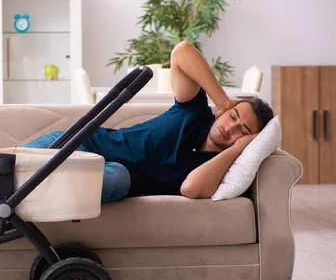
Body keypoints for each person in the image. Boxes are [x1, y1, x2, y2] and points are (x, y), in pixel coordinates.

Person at [24, 41, 274, 202]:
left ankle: (21, 190)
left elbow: (191, 189)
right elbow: (182, 51)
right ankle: (10, 179)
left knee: (119, 176)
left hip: (110, 177)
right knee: (18, 168)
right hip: (82, 144)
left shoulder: (215, 168)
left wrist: (240, 148)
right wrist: (220, 100)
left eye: (243, 130)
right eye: (233, 116)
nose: (230, 128)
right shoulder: (194, 110)